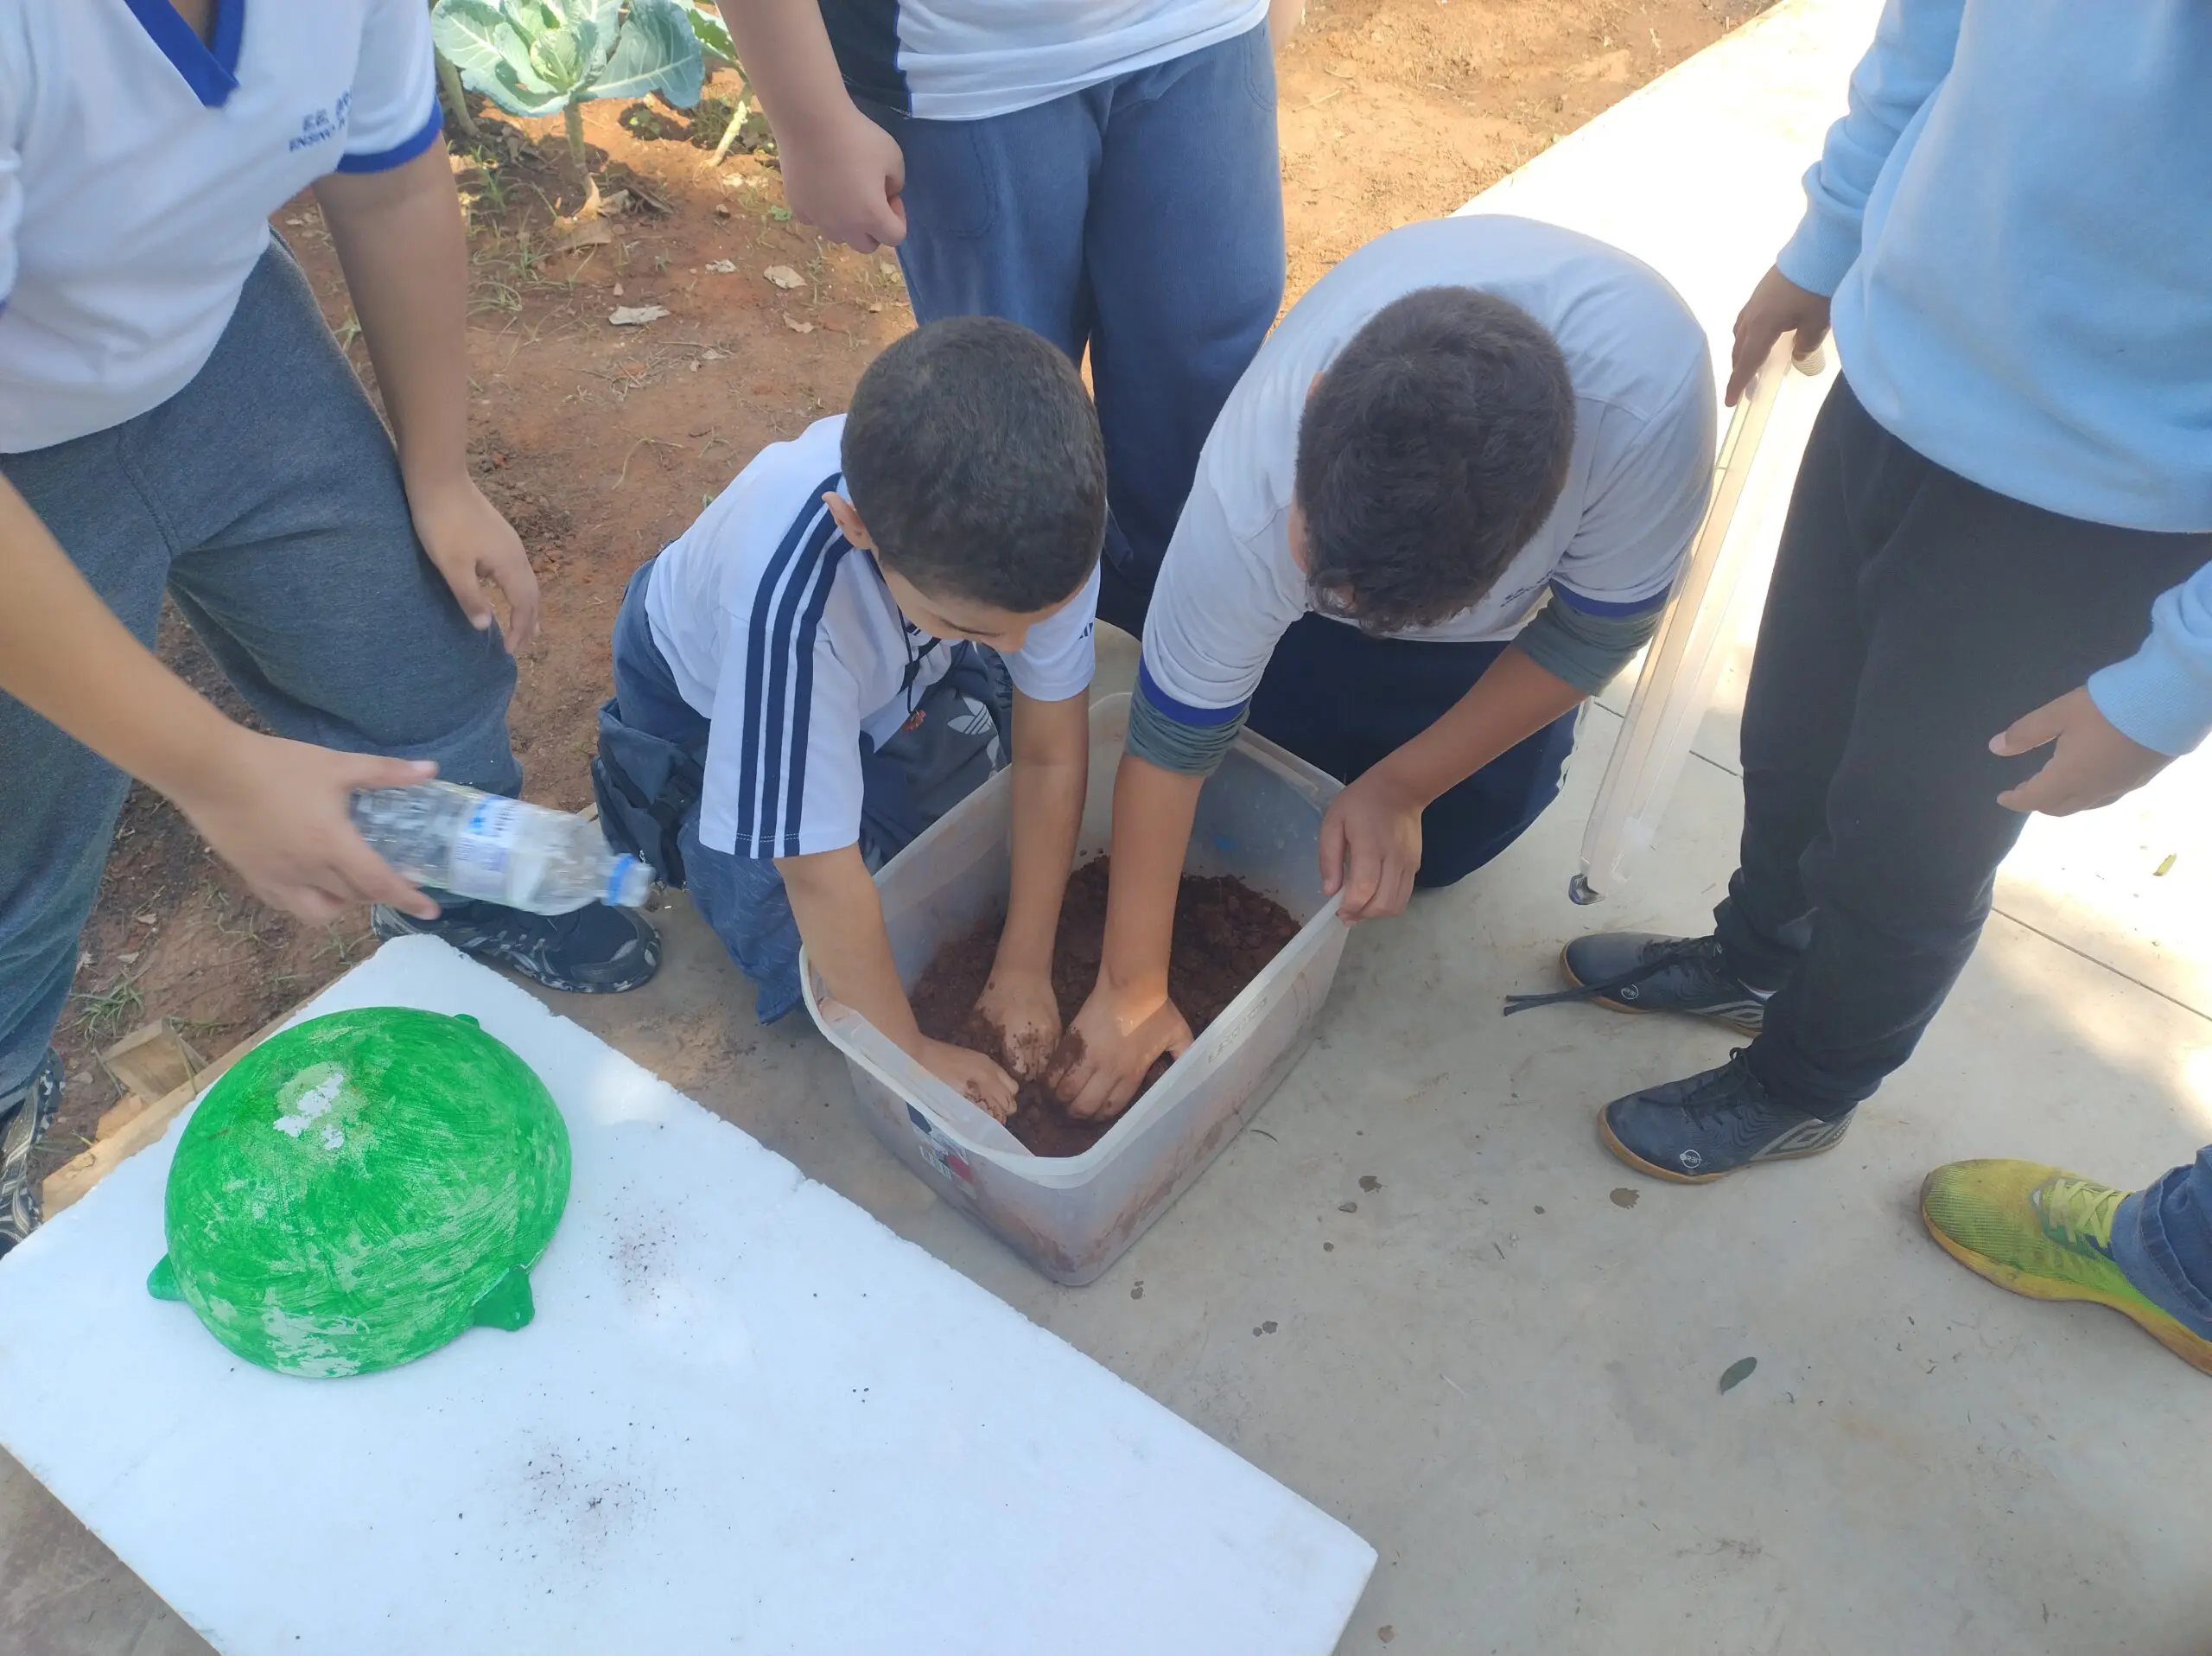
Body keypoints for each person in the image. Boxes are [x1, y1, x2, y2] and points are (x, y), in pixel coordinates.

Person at [0, 0, 661, 1254]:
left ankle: (453, 894)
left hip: (216, 338)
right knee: (19, 843)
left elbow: (391, 182)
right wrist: (213, 768)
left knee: (414, 662)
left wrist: (438, 473)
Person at [1530, 2, 2211, 1184]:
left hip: (2098, 498)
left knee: (1911, 844)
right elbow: (1931, 28)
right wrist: (1829, 238)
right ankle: (1757, 953)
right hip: (1896, 384)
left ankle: (1809, 1082)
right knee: (1792, 738)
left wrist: (2175, 683)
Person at [1047, 214, 1717, 1118]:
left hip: (1486, 642)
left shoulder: (1646, 414)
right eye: (1319, 562)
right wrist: (1131, 986)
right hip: (1319, 594)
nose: (1345, 600)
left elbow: (1592, 633)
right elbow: (1171, 739)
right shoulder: (1251, 488)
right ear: (1316, 401)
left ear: (1554, 506)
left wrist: (1406, 786)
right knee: (1249, 803)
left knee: (1448, 848)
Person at [592, 316, 1103, 1116]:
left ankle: (912, 700)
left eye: (1038, 621)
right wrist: (909, 1056)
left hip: (891, 667)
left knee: (970, 854)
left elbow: (1051, 753)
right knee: (811, 962)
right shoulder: (788, 616)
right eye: (977, 628)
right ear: (856, 527)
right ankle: (666, 804)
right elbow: (818, 875)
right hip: (701, 707)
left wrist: (1025, 965)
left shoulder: (1049, 526)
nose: (1017, 646)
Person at [713, 0, 1287, 635]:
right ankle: (1025, 657)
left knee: (1200, 397)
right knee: (1003, 436)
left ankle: (1156, 637)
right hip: (964, 61)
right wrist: (810, 121)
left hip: (1202, 26)